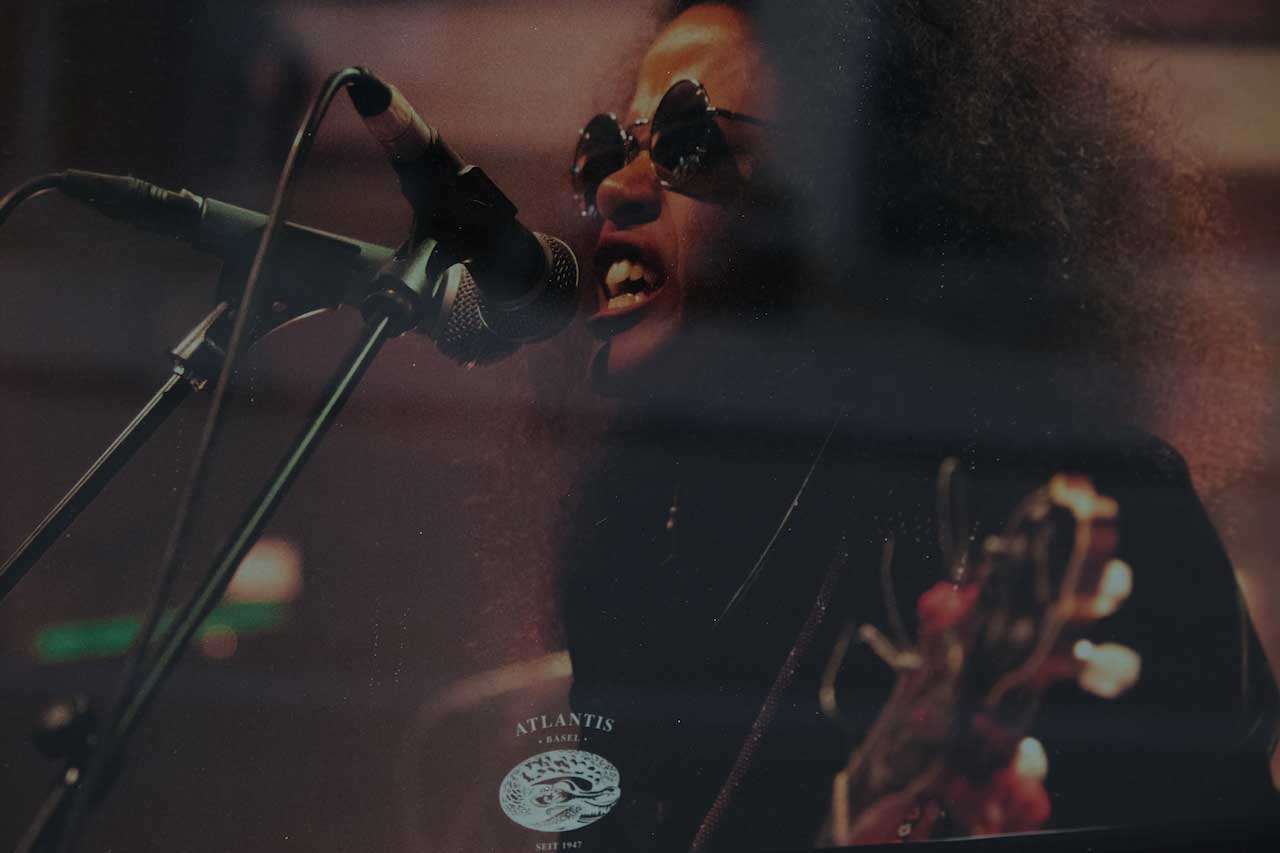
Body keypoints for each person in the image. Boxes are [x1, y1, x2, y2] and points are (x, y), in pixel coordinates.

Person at [555, 1, 1277, 849]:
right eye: (609, 146)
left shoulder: (1073, 493)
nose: (616, 186)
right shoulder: (629, 524)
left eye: (685, 139)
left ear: (855, 196)